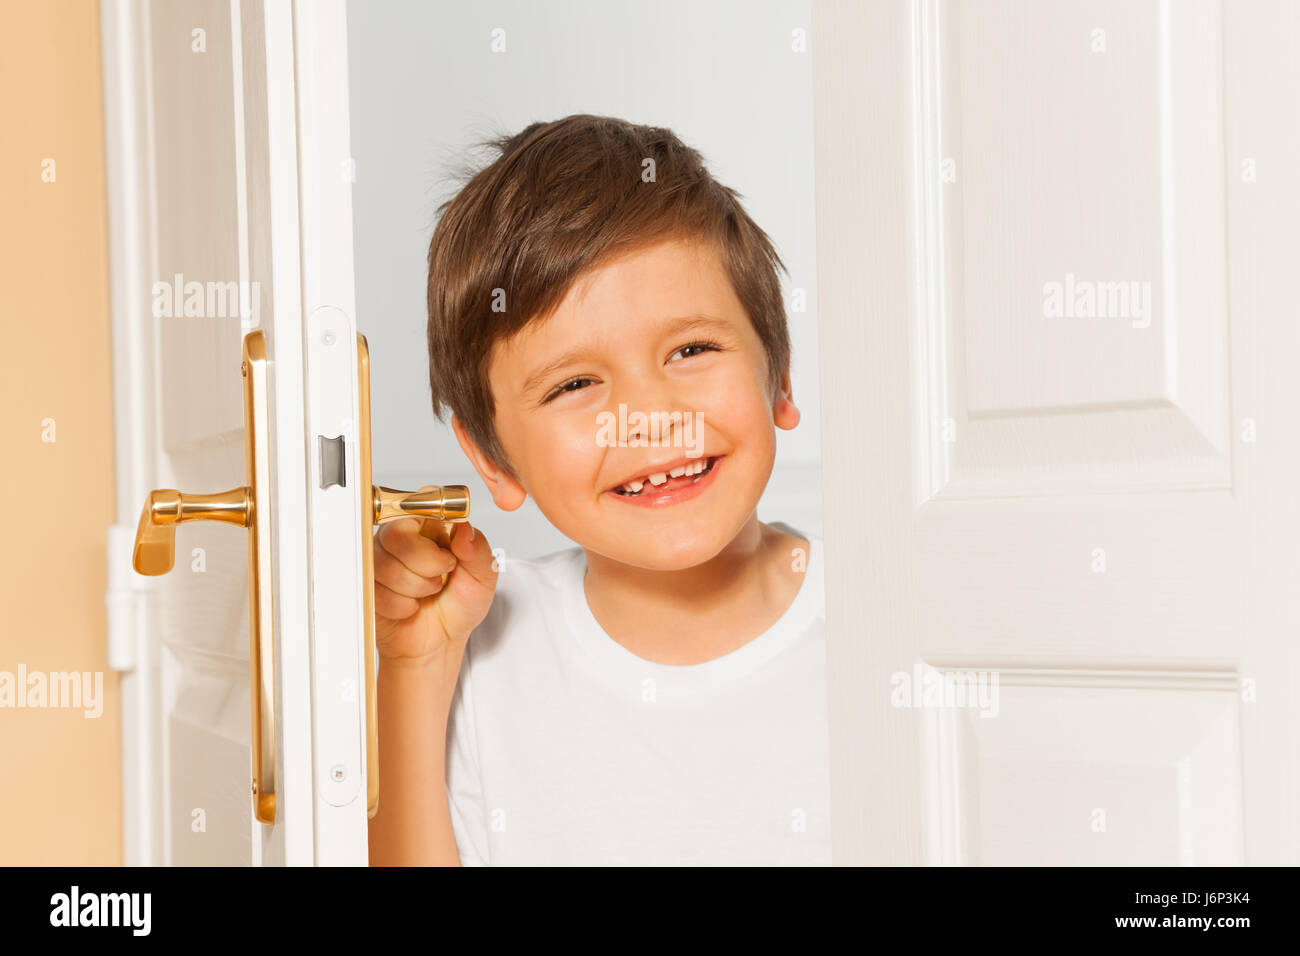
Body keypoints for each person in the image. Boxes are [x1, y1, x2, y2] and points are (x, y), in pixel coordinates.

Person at [367, 114, 828, 865]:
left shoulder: (893, 627)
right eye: (576, 383)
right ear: (493, 460)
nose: (648, 420)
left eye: (691, 348)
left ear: (777, 373)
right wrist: (414, 673)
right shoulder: (480, 662)